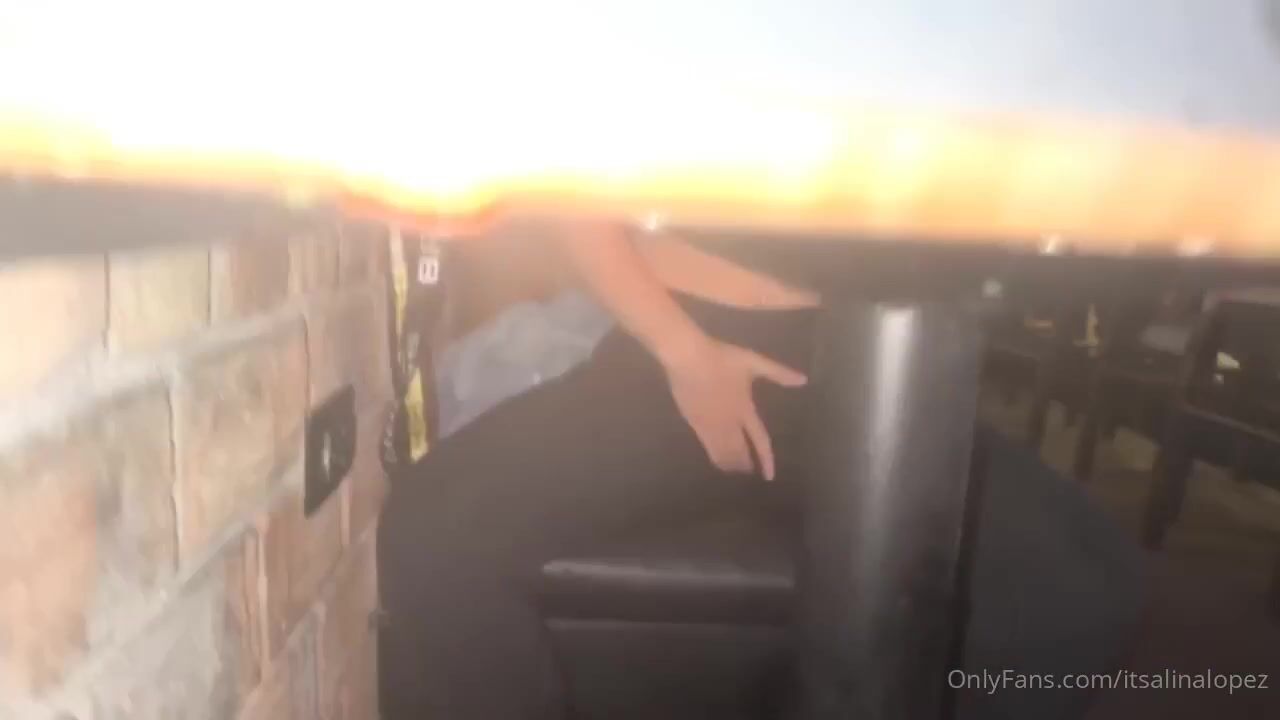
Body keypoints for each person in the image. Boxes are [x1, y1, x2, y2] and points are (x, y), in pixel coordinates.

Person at [376, 218, 1145, 719]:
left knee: (1087, 583)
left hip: (863, 354)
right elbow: (577, 201)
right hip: (680, 341)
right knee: (434, 531)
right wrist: (685, 354)